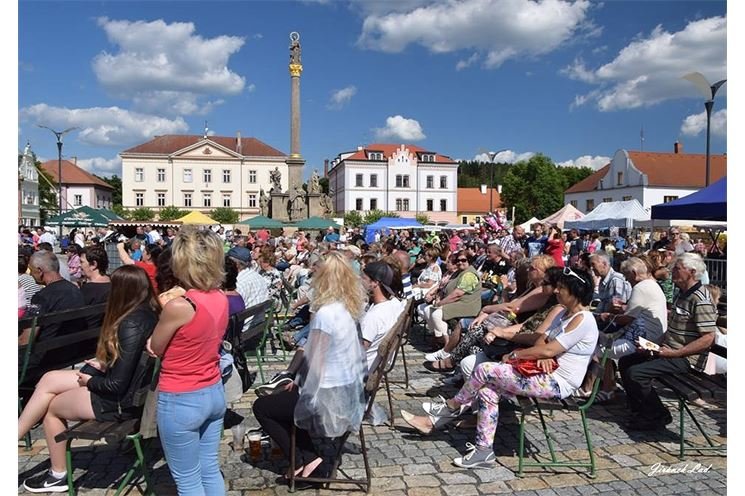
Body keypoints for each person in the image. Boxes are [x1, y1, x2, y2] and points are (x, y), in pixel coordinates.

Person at [401, 267, 598, 469]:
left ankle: (450, 406)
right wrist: (544, 352)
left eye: (562, 288)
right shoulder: (565, 313)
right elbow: (541, 341)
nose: (557, 291)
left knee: (485, 369)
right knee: (487, 390)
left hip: (558, 383)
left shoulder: (583, 319)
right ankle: (483, 451)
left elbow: (548, 349)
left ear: (576, 292)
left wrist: (518, 354)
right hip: (544, 373)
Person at [19, 265, 160, 493]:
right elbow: (128, 365)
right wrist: (102, 365)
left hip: (119, 402)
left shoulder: (130, 323)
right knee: (48, 379)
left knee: (51, 408)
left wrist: (89, 382)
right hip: (131, 393)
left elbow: (117, 385)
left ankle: (57, 475)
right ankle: (15, 433)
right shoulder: (147, 314)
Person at [252, 251, 367, 487]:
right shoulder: (347, 308)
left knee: (262, 406)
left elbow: (317, 361)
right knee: (286, 397)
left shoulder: (325, 313)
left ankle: (304, 461)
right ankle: (308, 457)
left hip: (328, 394)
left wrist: (299, 383)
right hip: (344, 387)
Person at [147, 228, 229, 495]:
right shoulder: (220, 298)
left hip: (181, 396)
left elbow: (156, 347)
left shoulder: (179, 306)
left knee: (188, 481)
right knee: (209, 468)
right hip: (213, 390)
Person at [619, 253, 718, 431]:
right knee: (627, 361)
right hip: (670, 351)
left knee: (636, 373)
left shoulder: (700, 299)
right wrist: (654, 347)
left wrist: (675, 353)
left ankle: (658, 415)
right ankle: (640, 410)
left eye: (677, 268)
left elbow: (708, 338)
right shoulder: (684, 294)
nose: (672, 271)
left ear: (692, 272)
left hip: (687, 359)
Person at [360, 260, 406, 369]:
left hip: (361, 370)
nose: (360, 282)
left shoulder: (374, 317)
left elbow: (357, 352)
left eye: (364, 278)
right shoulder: (393, 305)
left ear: (375, 282)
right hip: (375, 364)